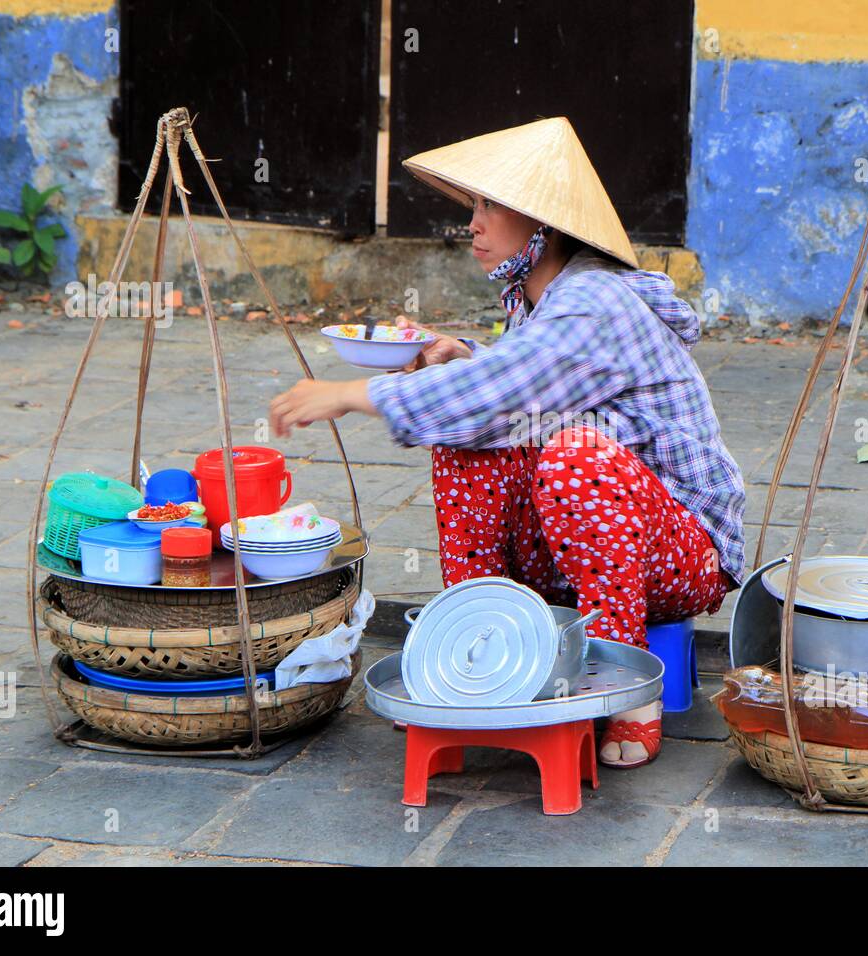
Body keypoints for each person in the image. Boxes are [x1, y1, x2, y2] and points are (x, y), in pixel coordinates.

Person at [270, 117, 746, 768]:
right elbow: (527, 383)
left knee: (577, 456)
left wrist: (354, 395)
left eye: (492, 207)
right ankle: (479, 648)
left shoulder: (595, 301)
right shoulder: (543, 299)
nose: (474, 224)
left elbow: (509, 391)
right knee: (468, 441)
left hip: (682, 554)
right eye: (475, 206)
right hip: (593, 545)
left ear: (544, 227)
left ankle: (625, 689)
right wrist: (464, 355)